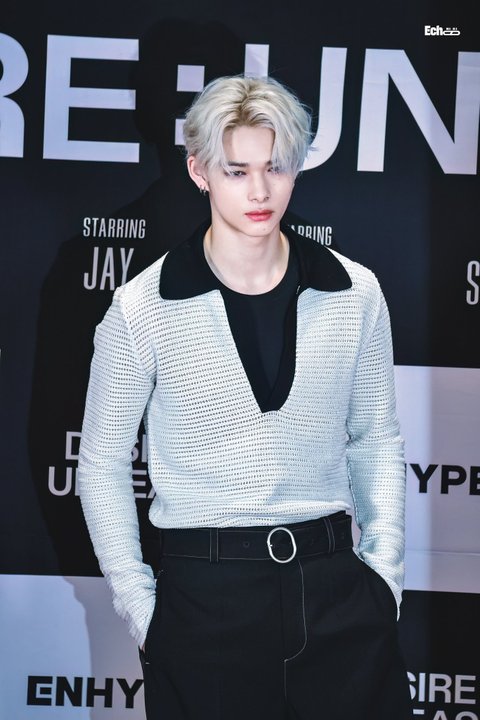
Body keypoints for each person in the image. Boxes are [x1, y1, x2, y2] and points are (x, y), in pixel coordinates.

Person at [78, 75, 413, 719]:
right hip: (205, 602)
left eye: (275, 168)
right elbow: (100, 463)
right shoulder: (142, 308)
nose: (260, 191)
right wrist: (143, 610)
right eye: (237, 171)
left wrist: (384, 577)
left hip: (338, 596)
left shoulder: (355, 292)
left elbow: (376, 438)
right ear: (199, 171)